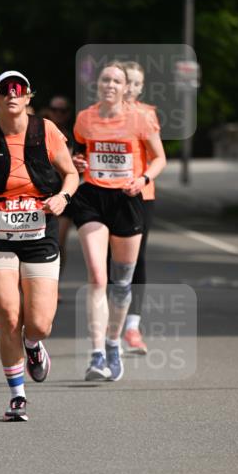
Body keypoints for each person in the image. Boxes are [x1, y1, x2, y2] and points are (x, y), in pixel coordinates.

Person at [0, 70, 79, 421]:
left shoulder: (47, 131)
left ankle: (33, 345)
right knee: (10, 315)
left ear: (28, 97)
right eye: (4, 90)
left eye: (19, 90)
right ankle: (17, 395)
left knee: (39, 323)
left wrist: (63, 197)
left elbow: (71, 174)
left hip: (40, 231)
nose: (12, 94)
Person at [70, 62, 166, 381]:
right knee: (98, 277)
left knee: (121, 281)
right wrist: (77, 160)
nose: (110, 84)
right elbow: (80, 150)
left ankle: (114, 342)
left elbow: (159, 157)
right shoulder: (85, 118)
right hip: (93, 197)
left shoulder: (140, 118)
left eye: (116, 80)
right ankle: (96, 355)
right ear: (98, 85)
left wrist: (143, 178)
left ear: (126, 88)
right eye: (105, 79)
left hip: (127, 200)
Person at [120, 61, 158, 354]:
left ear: (141, 87)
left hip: (140, 195)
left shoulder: (146, 115)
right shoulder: (98, 115)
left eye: (136, 83)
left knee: (137, 261)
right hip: (106, 195)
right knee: (111, 262)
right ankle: (112, 327)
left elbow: (158, 157)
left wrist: (143, 177)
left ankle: (132, 326)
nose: (130, 88)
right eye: (126, 81)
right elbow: (86, 152)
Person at [41, 96, 75, 283]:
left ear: (68, 113)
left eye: (62, 111)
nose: (58, 114)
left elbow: (78, 168)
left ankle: (55, 284)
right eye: (55, 110)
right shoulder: (38, 133)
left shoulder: (72, 136)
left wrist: (77, 164)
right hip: (41, 195)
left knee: (58, 243)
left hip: (62, 195)